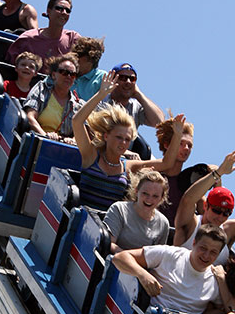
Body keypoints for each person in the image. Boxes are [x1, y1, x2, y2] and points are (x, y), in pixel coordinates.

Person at [72, 73, 186, 211]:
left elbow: (166, 163)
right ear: (107, 136)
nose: (123, 143)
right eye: (119, 137)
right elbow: (77, 121)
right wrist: (101, 95)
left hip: (108, 227)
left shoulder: (128, 167)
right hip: (81, 220)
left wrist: (177, 135)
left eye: (127, 139)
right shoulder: (91, 156)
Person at [112, 224, 226, 314]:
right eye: (203, 248)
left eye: (213, 252)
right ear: (194, 243)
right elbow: (120, 258)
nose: (206, 255)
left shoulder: (216, 280)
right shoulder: (170, 254)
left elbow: (228, 308)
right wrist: (143, 275)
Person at [5, 0, 80, 72]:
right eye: (59, 8)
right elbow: (11, 67)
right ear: (48, 11)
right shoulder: (28, 38)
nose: (64, 12)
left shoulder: (73, 38)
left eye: (68, 11)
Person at [104, 169, 169, 253]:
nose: (149, 199)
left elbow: (157, 257)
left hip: (141, 266)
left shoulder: (163, 223)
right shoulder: (119, 209)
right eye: (145, 193)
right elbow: (109, 244)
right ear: (137, 191)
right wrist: (130, 260)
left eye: (155, 196)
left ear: (161, 198)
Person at [23, 53, 82, 140]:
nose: (69, 76)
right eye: (64, 72)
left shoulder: (77, 104)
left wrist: (72, 140)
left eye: (72, 74)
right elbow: (30, 117)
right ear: (54, 75)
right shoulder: (42, 88)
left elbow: (82, 133)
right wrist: (45, 137)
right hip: (36, 141)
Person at [101, 62, 164, 128]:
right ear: (113, 80)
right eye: (123, 78)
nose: (128, 82)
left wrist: (139, 95)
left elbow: (159, 122)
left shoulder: (135, 107)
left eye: (132, 79)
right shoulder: (101, 102)